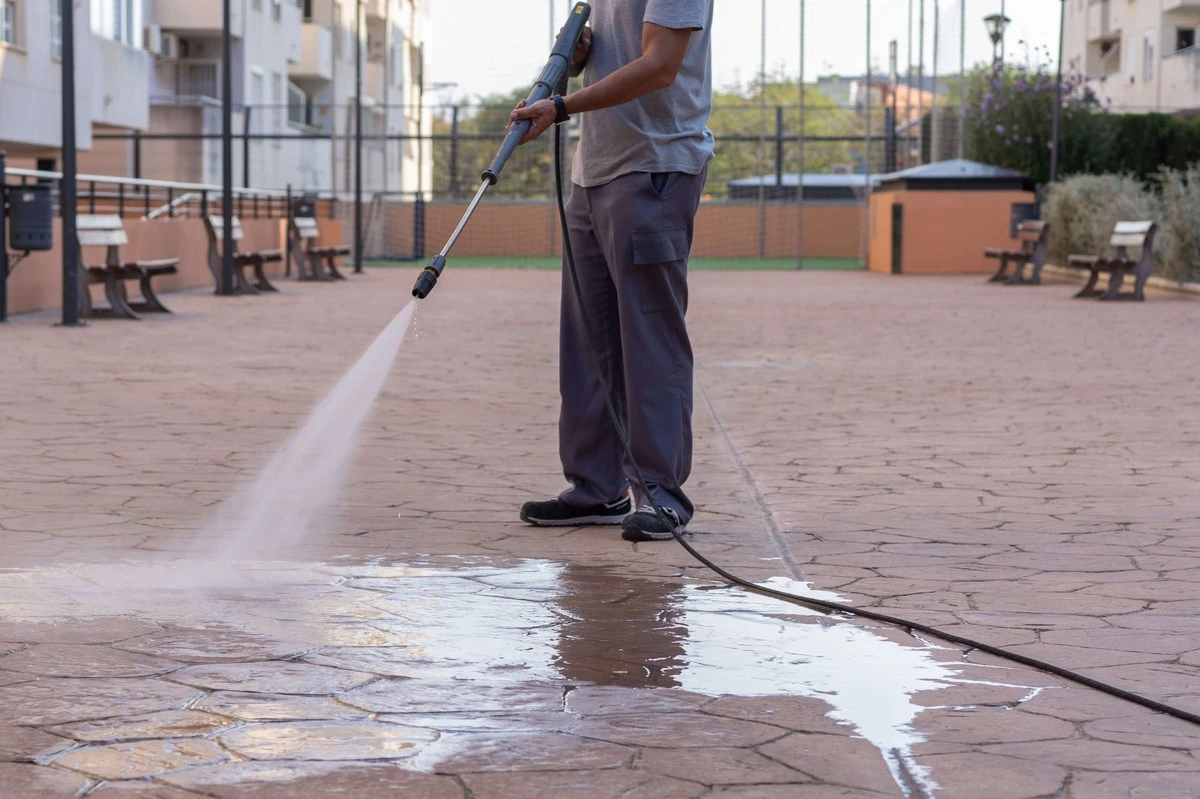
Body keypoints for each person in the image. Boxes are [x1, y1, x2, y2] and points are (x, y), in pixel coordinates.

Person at [511, 0, 715, 542]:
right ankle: (597, 488)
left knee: (650, 341)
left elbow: (660, 65)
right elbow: (614, 52)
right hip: (593, 172)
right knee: (587, 343)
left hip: (654, 168)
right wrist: (579, 55)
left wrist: (561, 105)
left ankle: (661, 495)